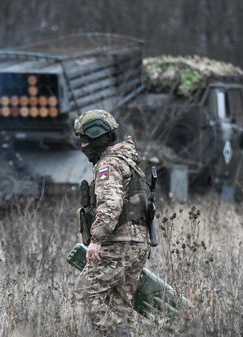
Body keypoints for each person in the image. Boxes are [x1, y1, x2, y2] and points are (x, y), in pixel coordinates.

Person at [73, 109, 150, 336]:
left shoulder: (109, 165)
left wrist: (97, 240)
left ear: (97, 138)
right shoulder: (128, 161)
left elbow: (111, 203)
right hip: (136, 242)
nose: (82, 145)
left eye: (85, 140)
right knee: (120, 305)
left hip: (119, 241)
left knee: (86, 294)